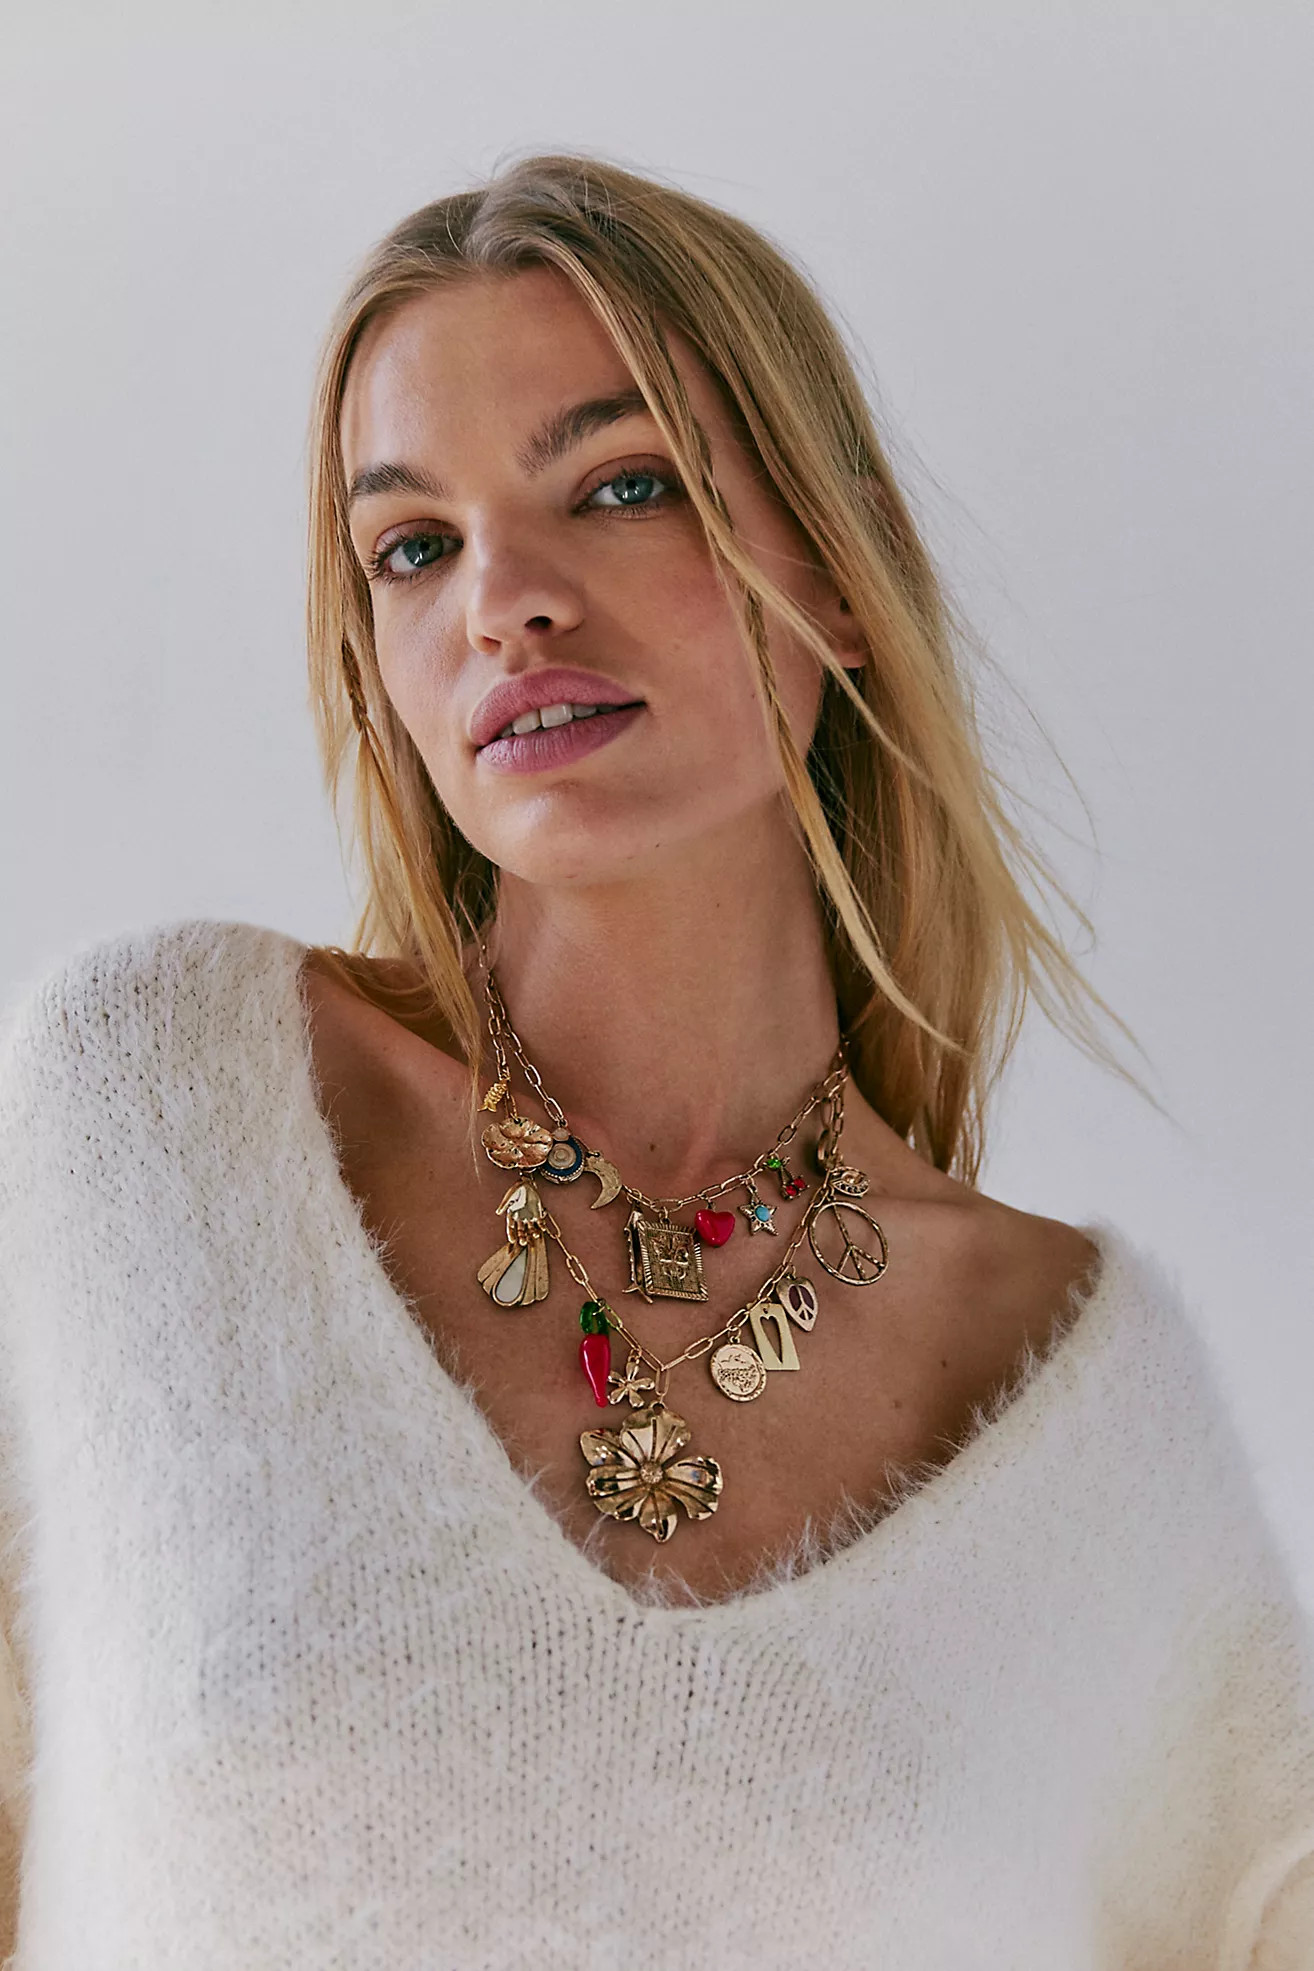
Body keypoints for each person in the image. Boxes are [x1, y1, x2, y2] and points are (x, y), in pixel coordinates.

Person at [0, 153, 1310, 1969]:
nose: (503, 602)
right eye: (413, 546)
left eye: (621, 487)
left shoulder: (1072, 1387)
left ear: (836, 573)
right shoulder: (155, 1105)